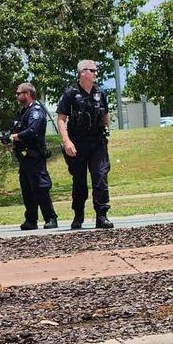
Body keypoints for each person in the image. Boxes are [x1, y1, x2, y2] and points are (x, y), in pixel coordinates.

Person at [56, 60, 113, 229]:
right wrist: (66, 141)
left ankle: (101, 216)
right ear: (82, 73)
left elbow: (106, 115)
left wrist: (106, 130)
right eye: (92, 70)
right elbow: (61, 119)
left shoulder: (100, 93)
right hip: (77, 143)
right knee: (79, 182)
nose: (95, 73)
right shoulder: (70, 94)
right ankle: (78, 215)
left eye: (96, 70)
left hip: (97, 143)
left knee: (101, 178)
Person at [10, 83, 58, 230]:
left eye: (19, 93)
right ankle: (31, 220)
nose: (17, 96)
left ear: (28, 93)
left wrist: (16, 137)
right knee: (27, 189)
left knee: (40, 188)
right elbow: (16, 128)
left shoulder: (36, 111)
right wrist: (9, 136)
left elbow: (32, 131)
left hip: (34, 156)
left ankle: (50, 218)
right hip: (24, 158)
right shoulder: (23, 112)